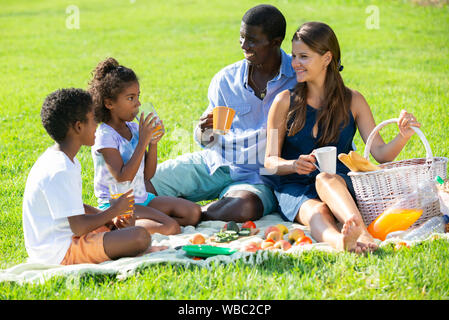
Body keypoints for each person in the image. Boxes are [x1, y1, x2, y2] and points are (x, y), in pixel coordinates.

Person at [264, 22, 421, 253]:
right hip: (295, 185)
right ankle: (341, 243)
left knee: (325, 178)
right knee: (317, 212)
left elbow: (380, 154)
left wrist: (403, 135)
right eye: (294, 56)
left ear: (327, 58)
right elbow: (270, 161)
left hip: (340, 183)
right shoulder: (284, 102)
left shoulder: (354, 101)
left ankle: (362, 234)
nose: (295, 63)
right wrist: (293, 164)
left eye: (303, 57)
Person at [147, 5, 297, 222]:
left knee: (242, 208)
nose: (244, 45)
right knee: (144, 183)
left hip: (258, 177)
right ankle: (175, 210)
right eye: (242, 37)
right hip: (216, 162)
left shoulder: (298, 77)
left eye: (252, 40)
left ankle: (192, 215)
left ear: (275, 42)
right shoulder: (226, 79)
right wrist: (204, 131)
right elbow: (207, 141)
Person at [22, 88, 164, 266]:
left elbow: (75, 207)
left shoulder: (61, 159)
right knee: (140, 236)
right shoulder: (60, 169)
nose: (97, 124)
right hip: (59, 252)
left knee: (126, 228)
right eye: (93, 119)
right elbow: (79, 227)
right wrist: (114, 211)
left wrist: (110, 218)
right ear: (78, 126)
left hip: (63, 239)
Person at [88, 58, 202, 236]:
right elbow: (122, 178)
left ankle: (134, 224)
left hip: (141, 198)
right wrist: (142, 142)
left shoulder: (133, 128)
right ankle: (114, 223)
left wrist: (153, 143)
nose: (138, 104)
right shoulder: (105, 136)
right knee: (171, 227)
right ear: (109, 103)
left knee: (193, 213)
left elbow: (148, 176)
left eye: (138, 96)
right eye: (130, 98)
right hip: (117, 204)